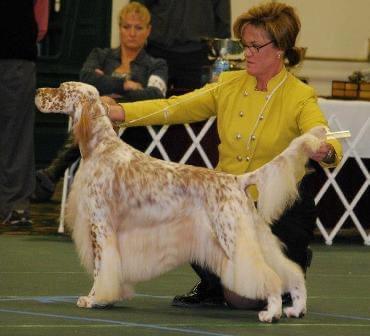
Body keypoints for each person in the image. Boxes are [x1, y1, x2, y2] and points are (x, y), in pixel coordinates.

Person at [104, 1, 343, 309]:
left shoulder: (300, 95)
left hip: (278, 208)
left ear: (280, 48)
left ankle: (286, 264)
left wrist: (326, 149)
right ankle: (214, 282)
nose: (248, 53)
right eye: (245, 45)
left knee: (244, 299)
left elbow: (322, 132)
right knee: (185, 212)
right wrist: (119, 111)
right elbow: (173, 107)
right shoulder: (228, 84)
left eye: (256, 46)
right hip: (227, 199)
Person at [34, 1, 168, 201]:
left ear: (148, 31)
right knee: (96, 112)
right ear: (119, 28)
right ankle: (54, 173)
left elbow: (155, 95)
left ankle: (54, 171)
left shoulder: (157, 64)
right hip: (95, 135)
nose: (132, 33)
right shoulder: (100, 55)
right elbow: (86, 78)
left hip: (135, 131)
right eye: (126, 27)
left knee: (98, 107)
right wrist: (126, 85)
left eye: (138, 28)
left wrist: (110, 97)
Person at [0, 0, 49, 226]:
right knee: (17, 136)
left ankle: (15, 206)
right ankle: (15, 207)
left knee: (16, 135)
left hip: (17, 52)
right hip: (17, 51)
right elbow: (41, 25)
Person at [132, 0, 231, 90]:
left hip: (197, 56)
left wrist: (220, 57)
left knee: (191, 106)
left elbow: (222, 20)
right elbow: (137, 8)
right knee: (151, 105)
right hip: (156, 53)